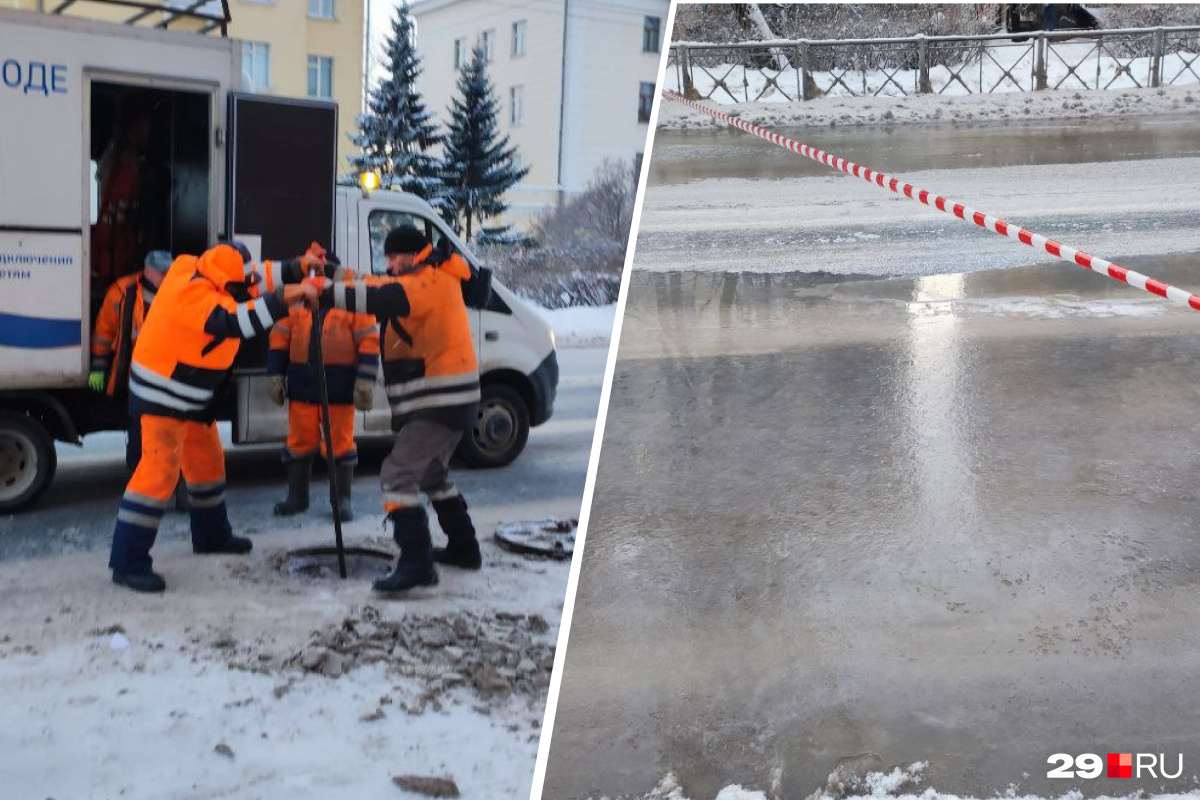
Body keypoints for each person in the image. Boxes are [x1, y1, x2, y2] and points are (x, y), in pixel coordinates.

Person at [107, 243, 321, 593]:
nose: (247, 286)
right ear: (222, 282)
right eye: (238, 285)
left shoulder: (206, 269)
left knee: (207, 464)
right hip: (163, 395)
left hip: (193, 394)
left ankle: (211, 535)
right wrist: (285, 299)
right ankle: (127, 562)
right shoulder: (194, 295)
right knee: (157, 473)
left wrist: (298, 266)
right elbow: (236, 321)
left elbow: (257, 274)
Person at [307, 226, 482, 594]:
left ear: (410, 254)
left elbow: (379, 299)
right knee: (433, 475)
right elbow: (373, 282)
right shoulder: (421, 275)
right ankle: (465, 549)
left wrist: (325, 295)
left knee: (397, 474)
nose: (388, 263)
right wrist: (333, 274)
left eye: (393, 256)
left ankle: (417, 563)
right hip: (444, 398)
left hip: (440, 399)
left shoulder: (427, 283)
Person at [268, 254, 380, 521]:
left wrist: (365, 382)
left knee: (340, 445)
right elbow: (279, 340)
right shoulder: (294, 303)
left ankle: (342, 501)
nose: (315, 276)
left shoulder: (354, 304)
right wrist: (275, 376)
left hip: (339, 390)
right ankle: (297, 499)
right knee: (298, 443)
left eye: (320, 271)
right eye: (312, 271)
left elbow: (369, 343)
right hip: (302, 388)